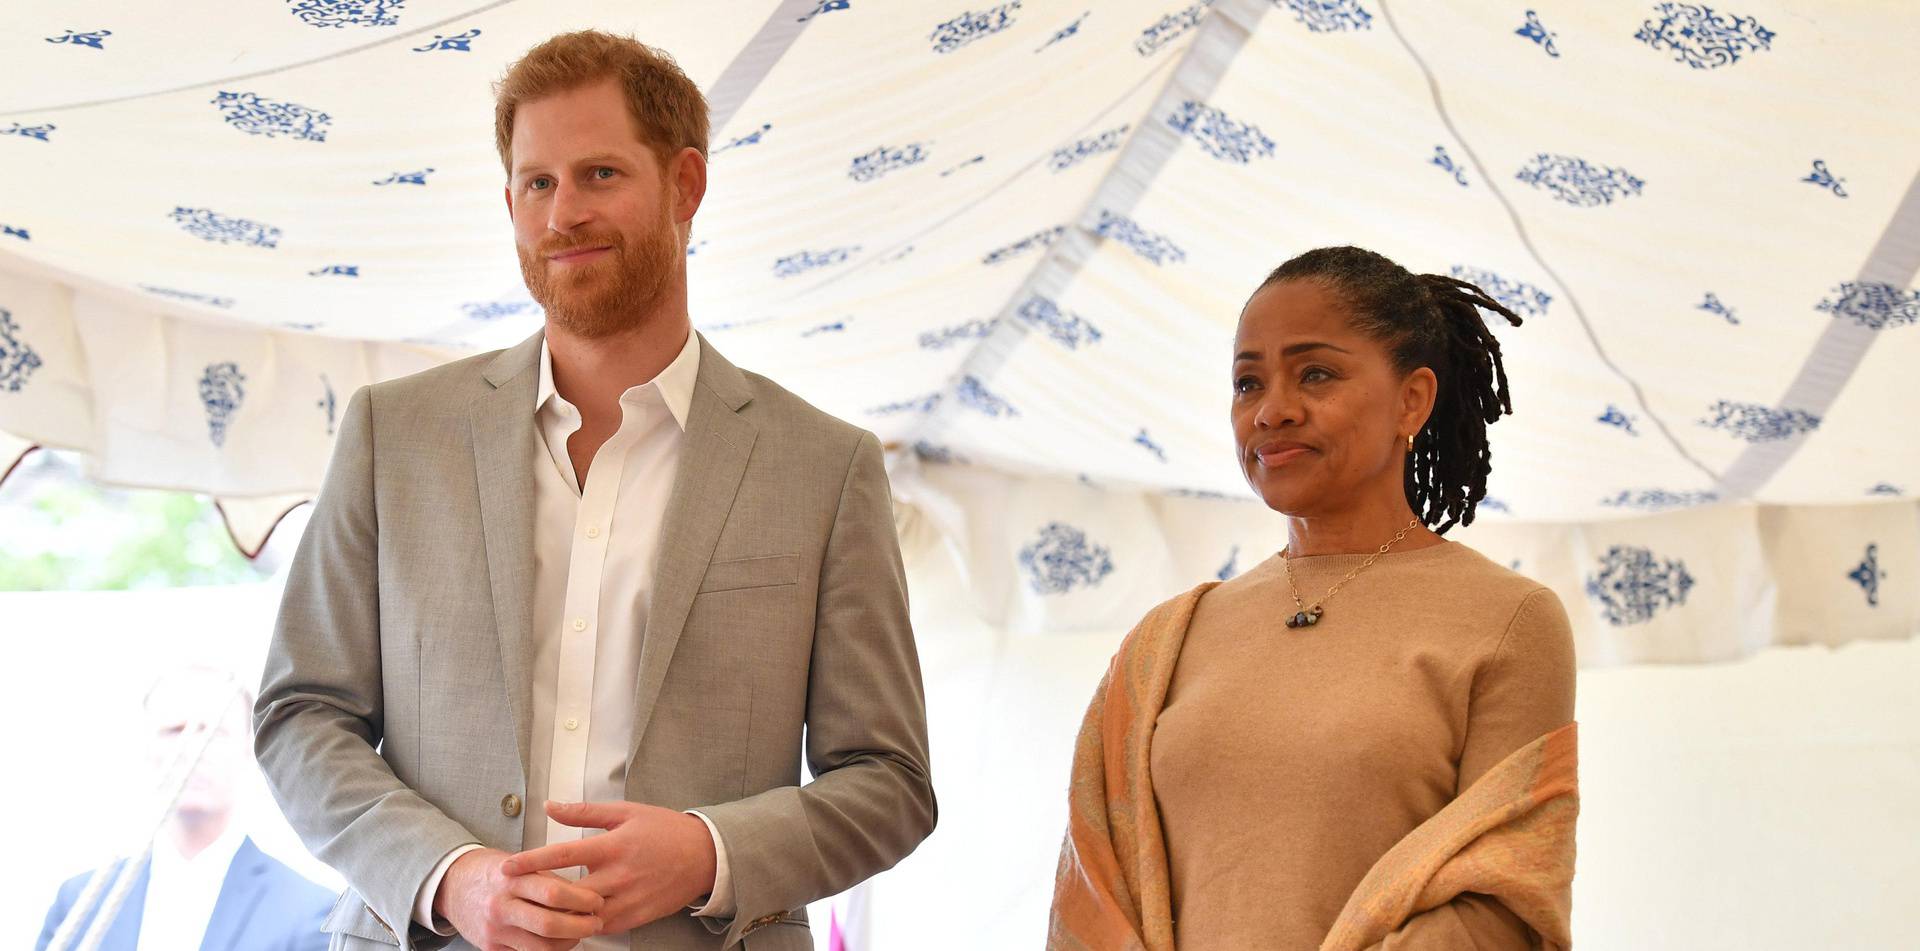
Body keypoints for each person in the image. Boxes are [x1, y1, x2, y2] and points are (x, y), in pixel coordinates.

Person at [254, 31, 935, 951]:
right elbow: (302, 715)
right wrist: (449, 876)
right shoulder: (393, 434)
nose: (562, 214)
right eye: (537, 183)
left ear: (685, 186)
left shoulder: (824, 465)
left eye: (600, 174)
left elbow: (889, 779)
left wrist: (709, 851)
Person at [1049, 246, 1579, 949]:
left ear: (1412, 399)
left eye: (1316, 374)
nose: (1272, 410)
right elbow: (1098, 893)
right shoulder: (1165, 641)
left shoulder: (1509, 620)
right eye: (1247, 383)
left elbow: (1506, 898)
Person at [38, 668, 331, 951]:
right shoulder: (79, 905)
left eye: (213, 733)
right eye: (173, 731)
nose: (192, 749)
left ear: (247, 750)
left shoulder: (309, 916)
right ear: (148, 747)